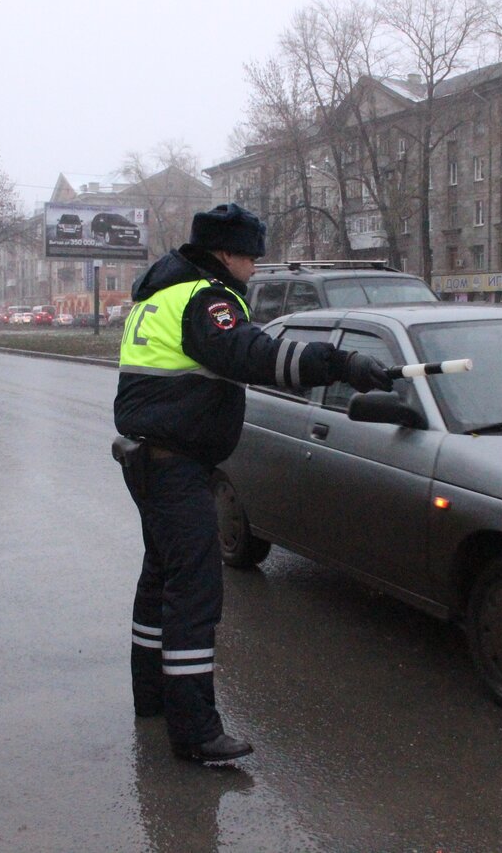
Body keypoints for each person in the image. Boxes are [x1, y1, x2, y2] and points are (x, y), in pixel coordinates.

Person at [113, 203, 393, 763]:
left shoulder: (161, 290)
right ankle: (195, 734)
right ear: (225, 253)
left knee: (160, 582)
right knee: (194, 594)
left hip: (150, 457)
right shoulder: (205, 298)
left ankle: (153, 698)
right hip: (175, 465)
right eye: (250, 256)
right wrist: (338, 364)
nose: (255, 268)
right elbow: (253, 354)